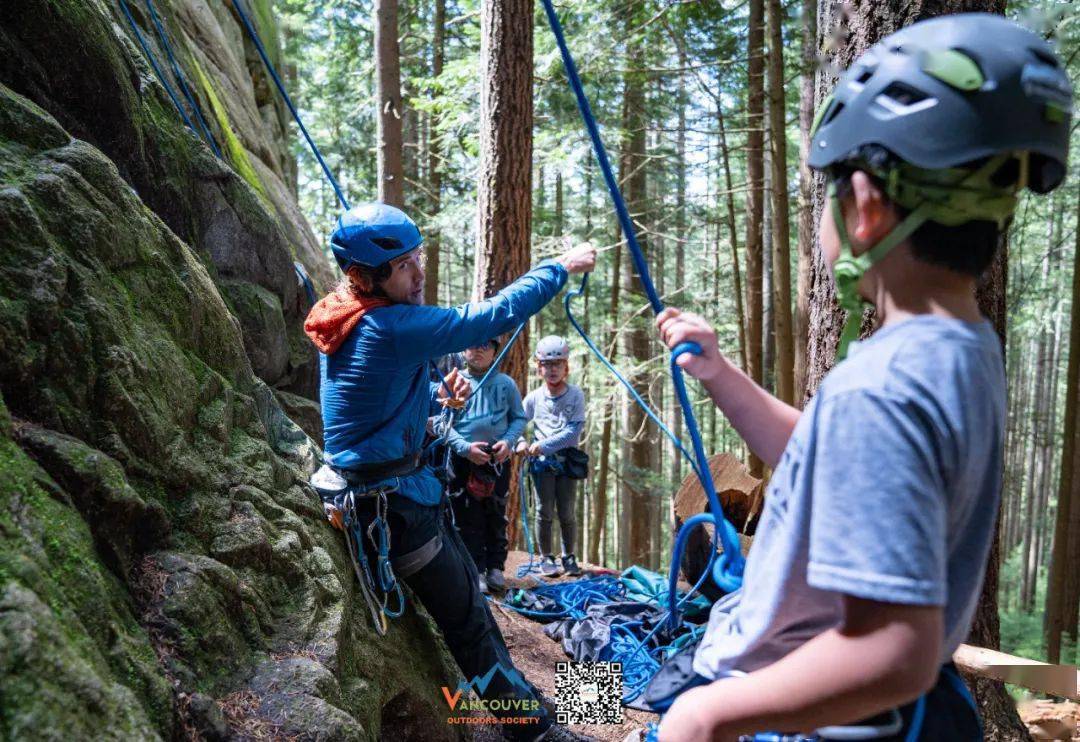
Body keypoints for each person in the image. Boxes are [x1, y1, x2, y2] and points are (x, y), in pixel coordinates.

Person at [644, 14, 1072, 742]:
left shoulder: (886, 386)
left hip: (800, 715)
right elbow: (827, 457)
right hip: (853, 708)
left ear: (867, 206)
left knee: (622, 687)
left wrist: (707, 714)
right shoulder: (959, 349)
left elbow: (893, 652)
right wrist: (723, 375)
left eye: (829, 191)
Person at [304, 202, 596, 742]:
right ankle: (531, 731)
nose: (419, 274)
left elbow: (374, 405)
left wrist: (439, 400)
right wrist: (559, 266)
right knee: (468, 624)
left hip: (396, 494)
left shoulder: (341, 314)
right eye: (406, 266)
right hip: (396, 509)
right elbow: (488, 317)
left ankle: (526, 706)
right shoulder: (388, 326)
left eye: (421, 258)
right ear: (370, 276)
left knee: (475, 607)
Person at [446, 337, 527, 593]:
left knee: (496, 513)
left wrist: (508, 442)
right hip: (462, 460)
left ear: (495, 351)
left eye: (486, 346)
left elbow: (518, 418)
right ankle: (474, 569)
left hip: (496, 460)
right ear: (464, 349)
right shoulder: (454, 383)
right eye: (474, 343)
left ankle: (495, 567)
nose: (479, 350)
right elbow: (442, 425)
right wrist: (464, 448)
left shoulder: (506, 384)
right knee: (465, 516)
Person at [516, 336, 587, 577]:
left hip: (566, 462)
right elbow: (517, 422)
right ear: (539, 368)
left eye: (557, 364)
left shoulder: (576, 395)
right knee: (543, 511)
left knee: (566, 511)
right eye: (547, 364)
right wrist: (521, 441)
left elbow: (572, 431)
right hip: (542, 466)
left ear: (566, 367)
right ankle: (546, 557)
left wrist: (542, 445)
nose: (552, 369)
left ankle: (568, 556)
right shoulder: (534, 398)